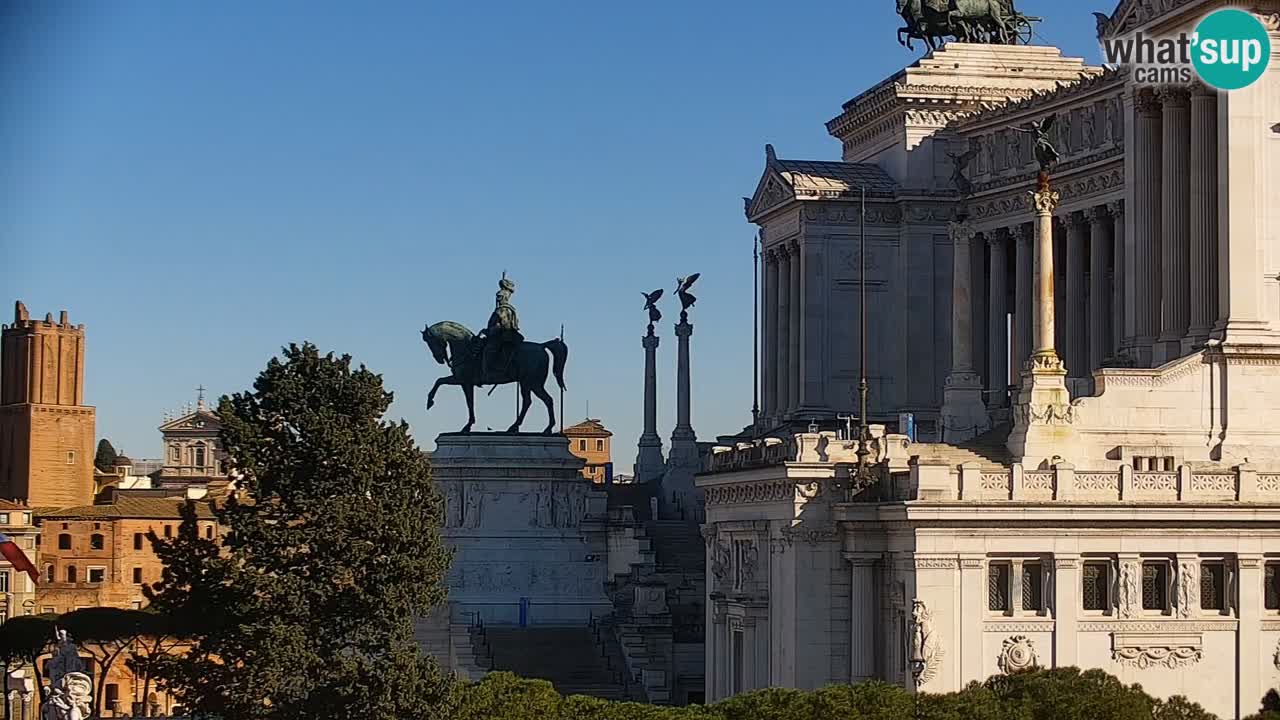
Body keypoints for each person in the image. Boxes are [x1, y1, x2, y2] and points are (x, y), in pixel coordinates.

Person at [480, 273, 523, 382]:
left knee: (488, 350)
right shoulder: (507, 309)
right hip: (502, 335)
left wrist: (489, 331)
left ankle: (488, 373)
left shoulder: (503, 310)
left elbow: (503, 326)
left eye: (499, 297)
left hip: (504, 336)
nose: (498, 299)